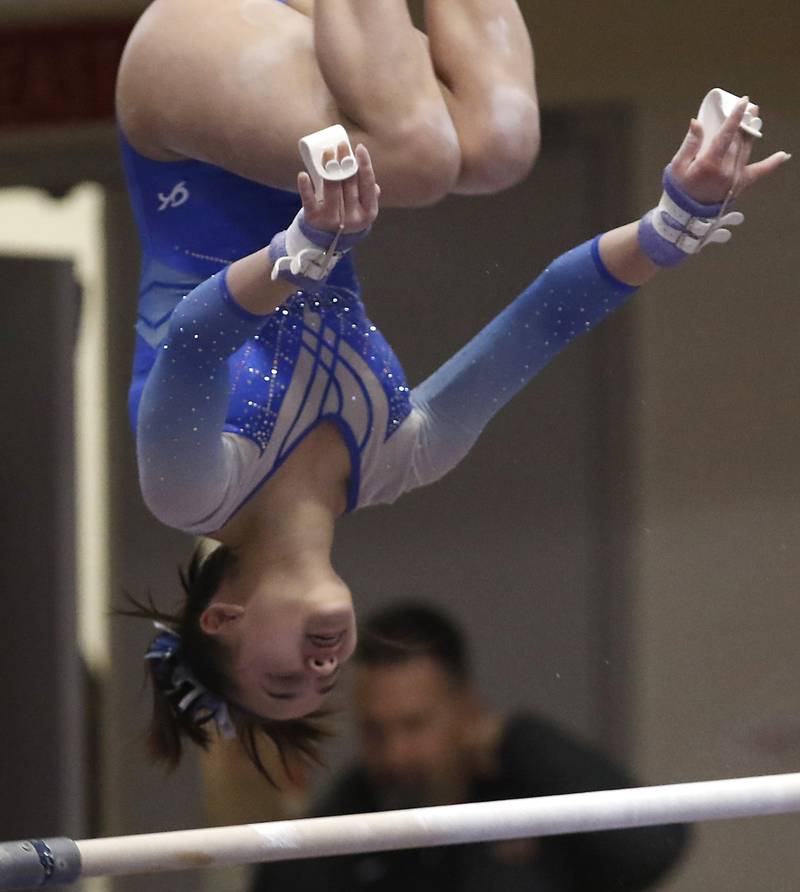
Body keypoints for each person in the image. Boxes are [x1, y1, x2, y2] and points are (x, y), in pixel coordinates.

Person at [126, 96, 789, 780]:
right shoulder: (405, 458)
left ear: (222, 620)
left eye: (284, 682)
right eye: (325, 684)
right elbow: (542, 321)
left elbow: (195, 343)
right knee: (487, 139)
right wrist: (671, 229)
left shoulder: (193, 493)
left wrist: (302, 251)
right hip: (294, 141)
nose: (323, 667)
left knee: (450, 153)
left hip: (185, 133)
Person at [248, 601, 691, 892]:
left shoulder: (528, 806)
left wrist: (520, 740)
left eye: (415, 725)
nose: (397, 753)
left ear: (466, 709)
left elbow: (653, 848)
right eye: (376, 731)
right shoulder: (339, 832)